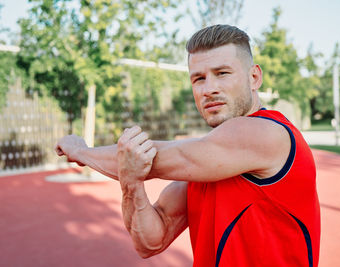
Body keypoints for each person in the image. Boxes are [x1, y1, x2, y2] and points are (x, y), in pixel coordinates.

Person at [56, 24, 320, 267]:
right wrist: (131, 182)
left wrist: (80, 151)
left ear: (254, 77)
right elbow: (150, 242)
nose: (209, 89)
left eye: (222, 73)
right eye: (199, 78)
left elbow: (152, 158)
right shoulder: (208, 164)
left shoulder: (265, 132)